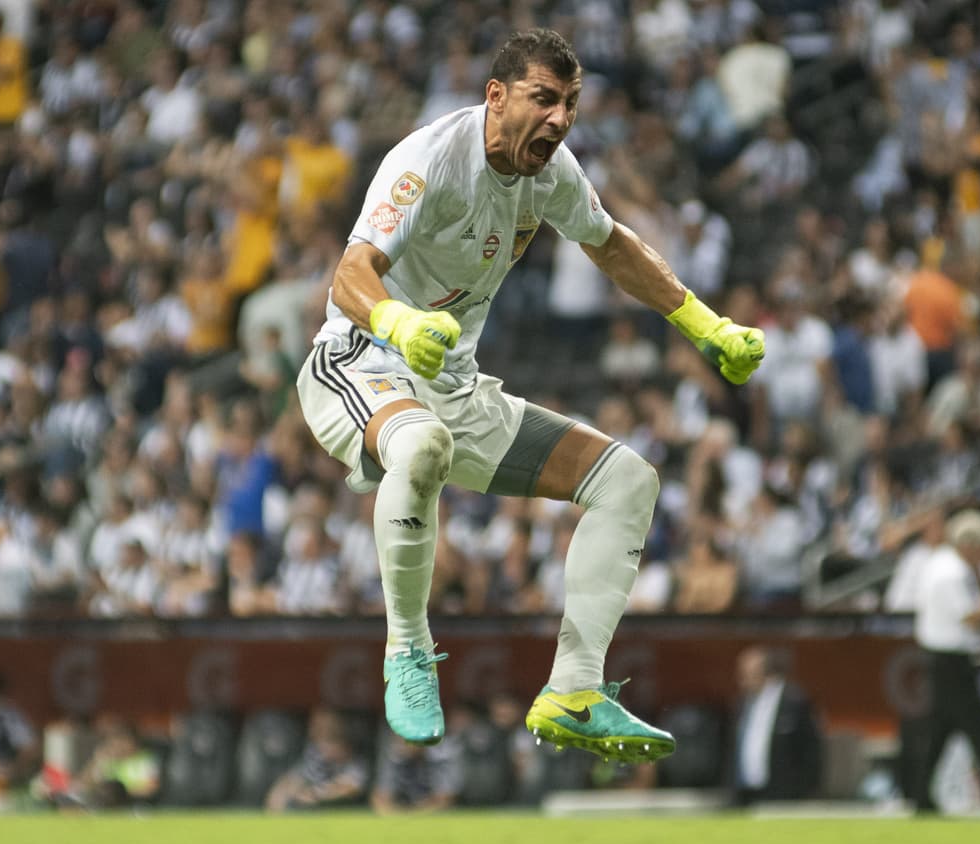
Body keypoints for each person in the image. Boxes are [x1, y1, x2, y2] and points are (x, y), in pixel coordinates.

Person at [296, 29, 764, 759]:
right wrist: (397, 318)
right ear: (497, 96)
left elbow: (608, 242)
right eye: (544, 99)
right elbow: (350, 272)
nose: (560, 119)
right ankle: (407, 650)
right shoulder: (428, 160)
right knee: (422, 445)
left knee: (627, 480)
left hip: (452, 386)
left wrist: (703, 323)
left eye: (570, 104)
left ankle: (574, 690)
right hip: (359, 362)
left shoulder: (550, 174)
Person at [910, 510, 980, 814]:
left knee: (939, 731)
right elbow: (971, 618)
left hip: (941, 656)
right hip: (952, 659)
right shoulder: (952, 573)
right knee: (979, 727)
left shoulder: (939, 564)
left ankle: (920, 795)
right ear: (968, 545)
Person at [730, 645, 822, 803]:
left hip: (782, 794)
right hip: (745, 792)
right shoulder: (742, 704)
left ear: (766, 672)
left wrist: (804, 789)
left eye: (748, 674)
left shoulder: (794, 701)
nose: (742, 680)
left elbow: (811, 750)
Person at [264, 709, 368, 812]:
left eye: (321, 728)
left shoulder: (355, 761)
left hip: (338, 810)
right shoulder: (315, 754)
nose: (313, 729)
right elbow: (291, 781)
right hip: (306, 807)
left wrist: (316, 794)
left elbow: (350, 788)